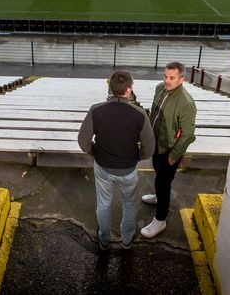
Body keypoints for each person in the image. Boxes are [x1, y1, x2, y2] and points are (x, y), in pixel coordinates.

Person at [79, 70, 155, 251]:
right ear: (129, 90)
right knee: (129, 204)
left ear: (111, 89)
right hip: (128, 169)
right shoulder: (140, 114)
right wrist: (137, 156)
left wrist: (94, 152)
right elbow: (149, 147)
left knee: (104, 204)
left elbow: (83, 141)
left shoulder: (96, 110)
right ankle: (127, 240)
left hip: (103, 167)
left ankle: (104, 240)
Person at [140, 61, 196, 238]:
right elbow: (154, 114)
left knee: (164, 184)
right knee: (158, 175)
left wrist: (173, 157)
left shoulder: (186, 103)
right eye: (165, 76)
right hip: (157, 144)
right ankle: (157, 197)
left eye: (172, 78)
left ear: (181, 79)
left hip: (169, 151)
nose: (167, 80)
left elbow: (187, 135)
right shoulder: (160, 88)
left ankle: (160, 219)